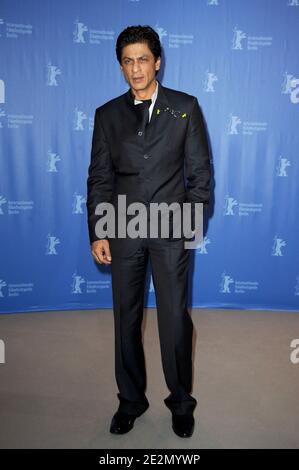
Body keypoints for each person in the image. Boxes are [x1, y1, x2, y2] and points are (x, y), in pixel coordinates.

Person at [86, 25, 211, 438]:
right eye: (127, 61)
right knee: (126, 319)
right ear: (120, 66)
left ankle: (180, 402)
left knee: (174, 320)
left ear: (158, 62)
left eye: (142, 59)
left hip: (171, 228)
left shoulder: (185, 108)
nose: (135, 68)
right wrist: (99, 230)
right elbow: (100, 178)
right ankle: (131, 401)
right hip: (122, 229)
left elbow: (200, 177)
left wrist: (186, 227)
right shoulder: (107, 115)